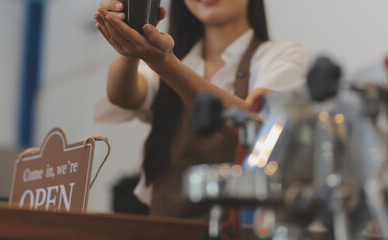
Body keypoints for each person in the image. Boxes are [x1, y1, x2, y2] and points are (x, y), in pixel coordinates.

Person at [94, 0, 308, 219]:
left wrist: (165, 62)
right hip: (166, 229)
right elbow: (123, 95)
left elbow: (257, 127)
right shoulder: (180, 59)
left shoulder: (282, 56)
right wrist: (128, 45)